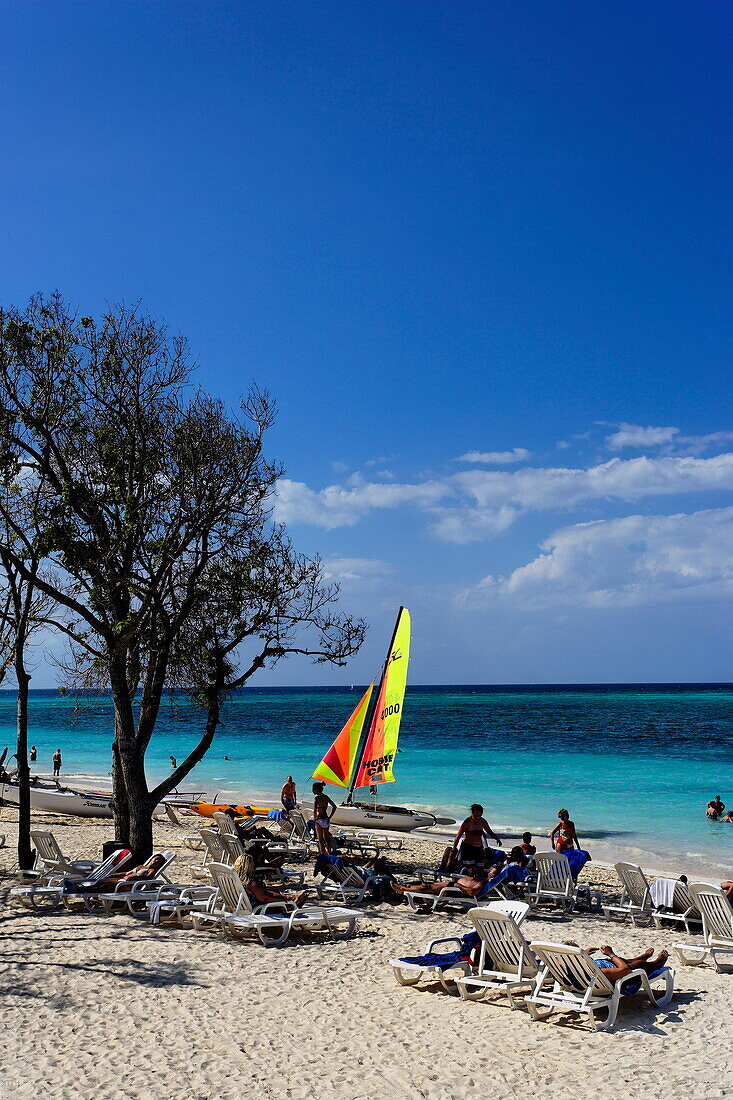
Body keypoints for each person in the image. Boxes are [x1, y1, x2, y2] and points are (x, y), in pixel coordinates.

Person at [567, 942, 669, 983]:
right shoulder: (591, 973)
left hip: (602, 966)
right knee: (637, 964)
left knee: (621, 960)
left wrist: (584, 954)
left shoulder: (563, 967)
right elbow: (624, 969)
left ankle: (643, 956)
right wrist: (611, 954)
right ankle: (656, 964)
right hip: (612, 974)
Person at [233, 853, 308, 908]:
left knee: (271, 892)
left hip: (240, 906)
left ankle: (291, 899)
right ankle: (291, 905)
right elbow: (264, 898)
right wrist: (281, 902)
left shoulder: (233, 879)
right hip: (258, 909)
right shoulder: (251, 882)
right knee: (271, 896)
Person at [395, 865, 490, 900]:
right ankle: (408, 885)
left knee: (427, 887)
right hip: (454, 886)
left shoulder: (482, 882)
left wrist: (458, 885)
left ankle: (403, 889)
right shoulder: (481, 878)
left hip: (454, 890)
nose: (490, 872)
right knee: (428, 884)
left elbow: (471, 892)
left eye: (492, 873)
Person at [312, 781, 337, 855]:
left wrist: (315, 819)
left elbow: (315, 810)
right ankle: (329, 853)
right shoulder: (326, 797)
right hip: (326, 819)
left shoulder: (317, 798)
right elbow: (334, 807)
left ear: (317, 789)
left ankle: (323, 854)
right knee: (327, 839)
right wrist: (330, 817)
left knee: (320, 840)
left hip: (319, 819)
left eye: (314, 789)